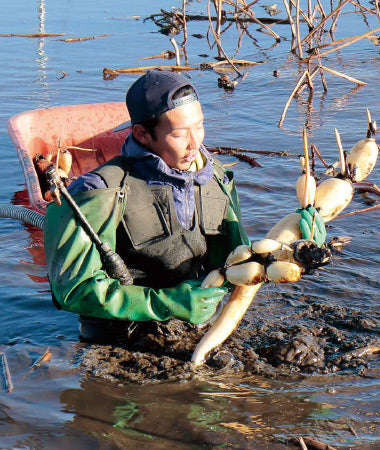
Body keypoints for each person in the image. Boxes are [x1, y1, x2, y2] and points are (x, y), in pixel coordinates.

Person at [43, 70, 250, 341]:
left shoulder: (217, 179)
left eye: (199, 126)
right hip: (119, 341)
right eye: (179, 134)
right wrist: (165, 303)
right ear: (141, 134)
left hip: (198, 331)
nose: (195, 144)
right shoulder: (97, 192)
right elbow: (72, 289)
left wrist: (292, 250)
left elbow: (237, 261)